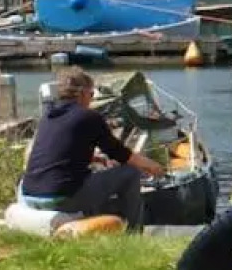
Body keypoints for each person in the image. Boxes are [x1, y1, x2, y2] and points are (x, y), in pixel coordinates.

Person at [19, 67, 166, 230]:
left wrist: (95, 158)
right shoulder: (89, 117)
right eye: (91, 94)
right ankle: (134, 231)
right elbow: (121, 154)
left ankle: (97, 223)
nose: (92, 99)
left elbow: (59, 153)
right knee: (130, 173)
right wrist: (151, 165)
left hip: (28, 195)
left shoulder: (48, 117)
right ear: (82, 93)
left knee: (87, 180)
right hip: (61, 198)